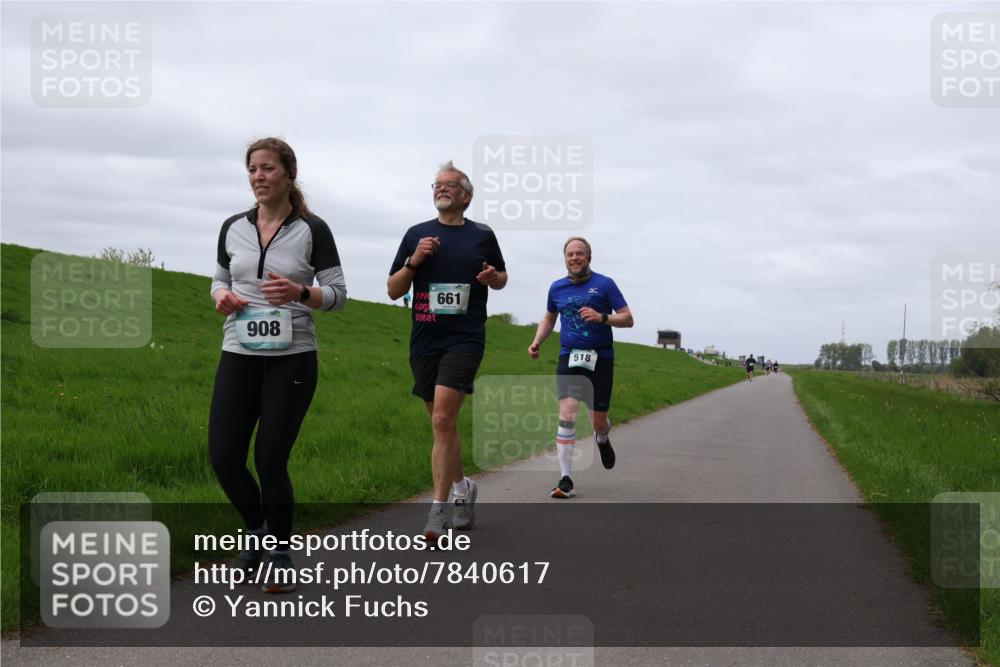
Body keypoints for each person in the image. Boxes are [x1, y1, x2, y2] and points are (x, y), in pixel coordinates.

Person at [209, 137, 347, 593]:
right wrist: (221, 297)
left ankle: (281, 552)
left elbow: (338, 295)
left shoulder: (313, 229)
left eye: (267, 168)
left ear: (288, 173)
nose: (258, 177)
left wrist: (300, 293)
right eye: (252, 169)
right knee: (225, 456)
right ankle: (256, 531)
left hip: (293, 357)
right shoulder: (232, 226)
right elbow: (220, 278)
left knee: (270, 457)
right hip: (239, 353)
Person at [387, 161, 507, 541]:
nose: (441, 189)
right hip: (425, 339)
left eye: (450, 185)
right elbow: (392, 289)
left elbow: (501, 277)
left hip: (465, 338)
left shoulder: (482, 235)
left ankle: (437, 514)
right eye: (437, 185)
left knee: (442, 420)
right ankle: (462, 488)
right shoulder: (416, 234)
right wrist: (414, 260)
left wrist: (493, 277)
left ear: (466, 196)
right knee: (443, 424)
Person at [528, 238, 633, 499]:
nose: (575, 257)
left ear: (589, 257)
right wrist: (537, 341)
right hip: (570, 357)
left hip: (601, 358)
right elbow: (550, 317)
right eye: (570, 254)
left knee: (597, 421)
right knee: (567, 413)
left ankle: (602, 437)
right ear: (565, 258)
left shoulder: (605, 284)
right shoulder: (557, 288)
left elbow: (628, 318)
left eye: (580, 254)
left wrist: (603, 317)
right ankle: (566, 479)